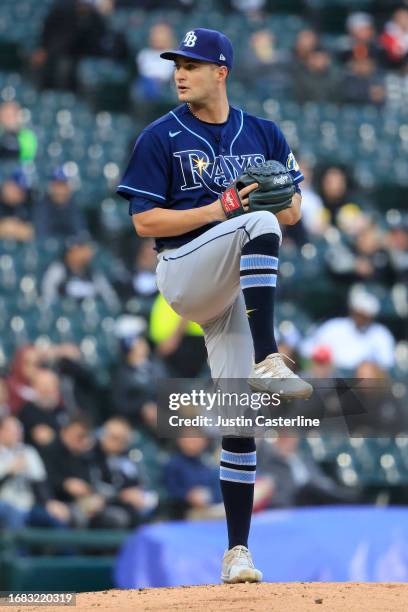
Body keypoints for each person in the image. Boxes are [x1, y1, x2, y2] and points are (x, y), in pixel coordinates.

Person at [117, 28, 312, 583]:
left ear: (221, 71)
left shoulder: (265, 133)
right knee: (254, 220)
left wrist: (277, 199)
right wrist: (220, 207)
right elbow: (144, 222)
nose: (181, 72)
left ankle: (237, 553)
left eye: (193, 64)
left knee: (239, 414)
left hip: (232, 289)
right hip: (183, 270)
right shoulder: (161, 136)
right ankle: (270, 356)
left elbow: (294, 209)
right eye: (177, 63)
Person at [33, 167, 87, 240]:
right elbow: (41, 235)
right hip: (48, 249)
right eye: (57, 185)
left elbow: (80, 233)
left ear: (68, 188)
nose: (60, 190)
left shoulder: (73, 206)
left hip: (70, 248)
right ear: (51, 187)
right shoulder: (42, 206)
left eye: (63, 185)